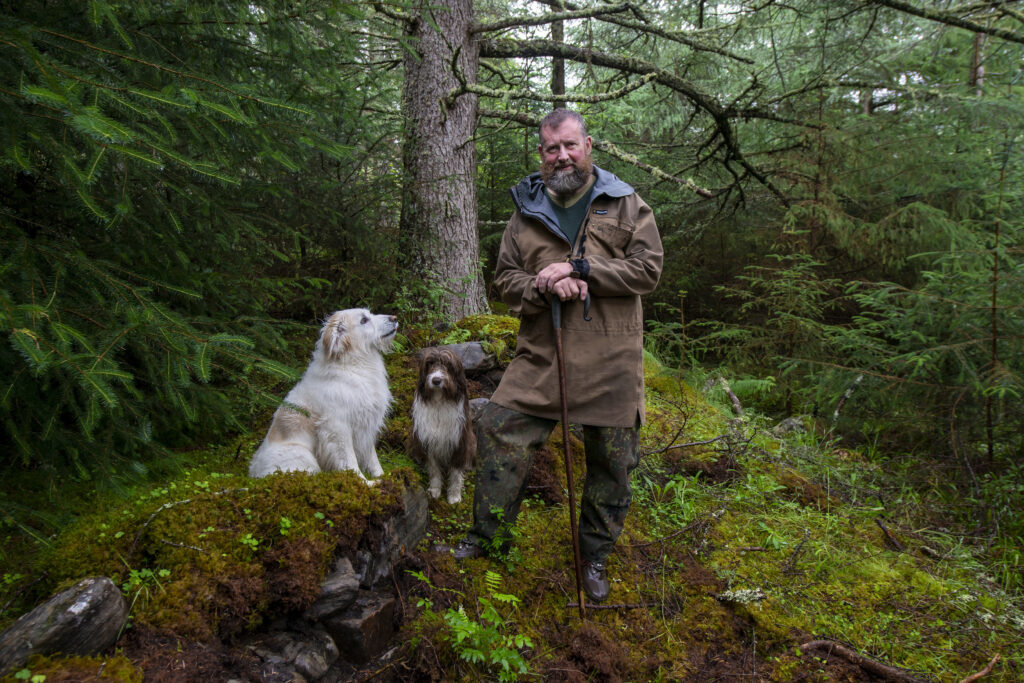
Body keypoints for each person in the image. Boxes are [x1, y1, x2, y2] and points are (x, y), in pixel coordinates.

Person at [450, 109, 663, 604]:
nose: (562, 156)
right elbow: (504, 280)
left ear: (588, 145)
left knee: (612, 462)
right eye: (551, 148)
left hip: (612, 358)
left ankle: (593, 556)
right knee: (500, 428)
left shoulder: (626, 204)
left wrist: (583, 269)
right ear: (541, 154)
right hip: (542, 354)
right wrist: (544, 282)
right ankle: (488, 539)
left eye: (570, 145)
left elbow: (648, 271)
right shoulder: (523, 213)